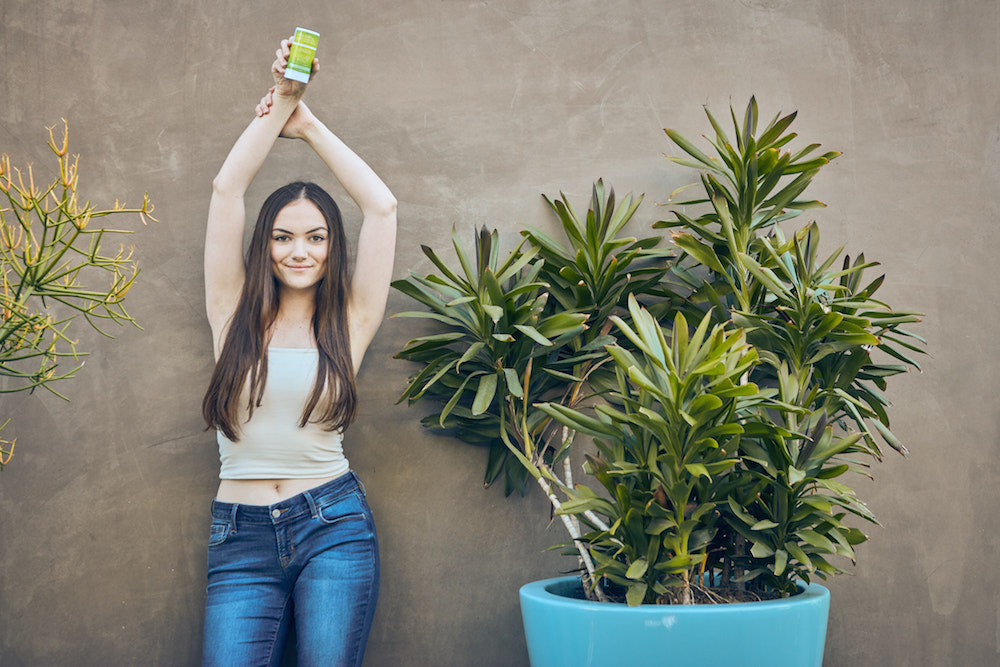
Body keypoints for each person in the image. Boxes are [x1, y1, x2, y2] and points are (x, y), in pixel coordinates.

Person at [200, 35, 397, 666]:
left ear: (332, 247)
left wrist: (308, 125)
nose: (299, 250)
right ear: (266, 245)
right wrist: (283, 98)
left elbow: (382, 207)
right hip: (239, 535)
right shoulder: (230, 314)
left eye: (315, 237)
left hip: (333, 526)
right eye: (284, 237)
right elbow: (228, 191)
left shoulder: (351, 322)